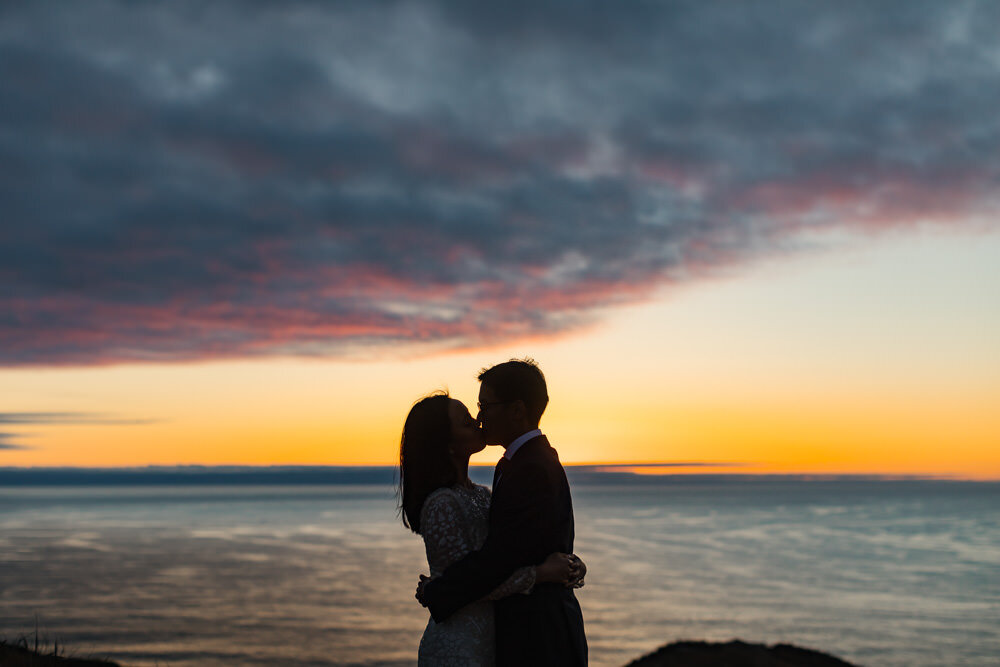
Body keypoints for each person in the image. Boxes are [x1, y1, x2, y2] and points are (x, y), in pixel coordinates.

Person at [416, 359, 588, 666]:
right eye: (473, 413)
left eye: (484, 406)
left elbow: (498, 558)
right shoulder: (517, 464)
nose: (479, 418)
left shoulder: (530, 468)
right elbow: (513, 551)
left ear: (517, 410)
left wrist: (439, 590)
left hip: (540, 637)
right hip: (511, 635)